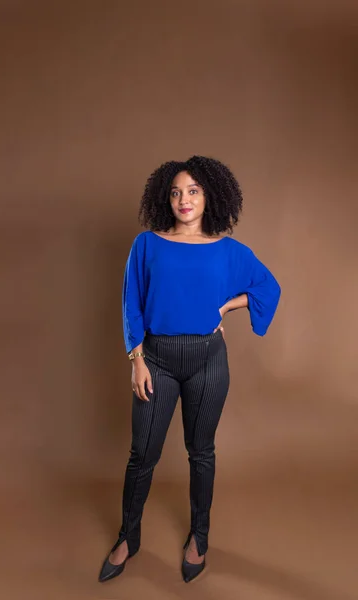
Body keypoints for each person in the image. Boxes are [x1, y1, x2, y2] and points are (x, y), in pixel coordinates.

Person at [98, 155, 281, 583]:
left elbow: (267, 287)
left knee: (201, 453)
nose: (184, 199)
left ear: (209, 197)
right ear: (166, 197)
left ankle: (199, 537)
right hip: (156, 359)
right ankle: (129, 536)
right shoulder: (146, 244)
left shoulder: (230, 251)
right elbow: (131, 304)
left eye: (193, 191)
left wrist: (230, 305)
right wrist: (136, 359)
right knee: (142, 455)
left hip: (207, 361)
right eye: (177, 191)